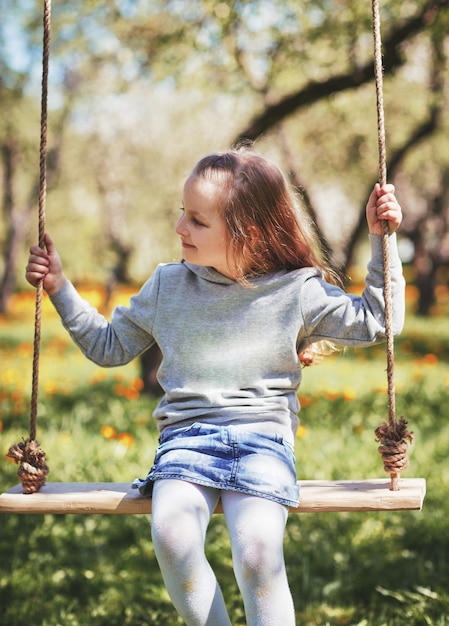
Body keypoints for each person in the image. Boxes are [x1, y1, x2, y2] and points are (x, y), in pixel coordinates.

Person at [26, 147, 405, 626]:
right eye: (181, 213)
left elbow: (379, 321)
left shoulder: (296, 290)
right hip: (187, 441)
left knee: (257, 554)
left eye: (197, 220)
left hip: (264, 442)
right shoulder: (168, 285)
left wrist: (382, 240)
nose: (180, 228)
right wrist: (60, 288)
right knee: (172, 536)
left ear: (247, 233)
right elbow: (108, 346)